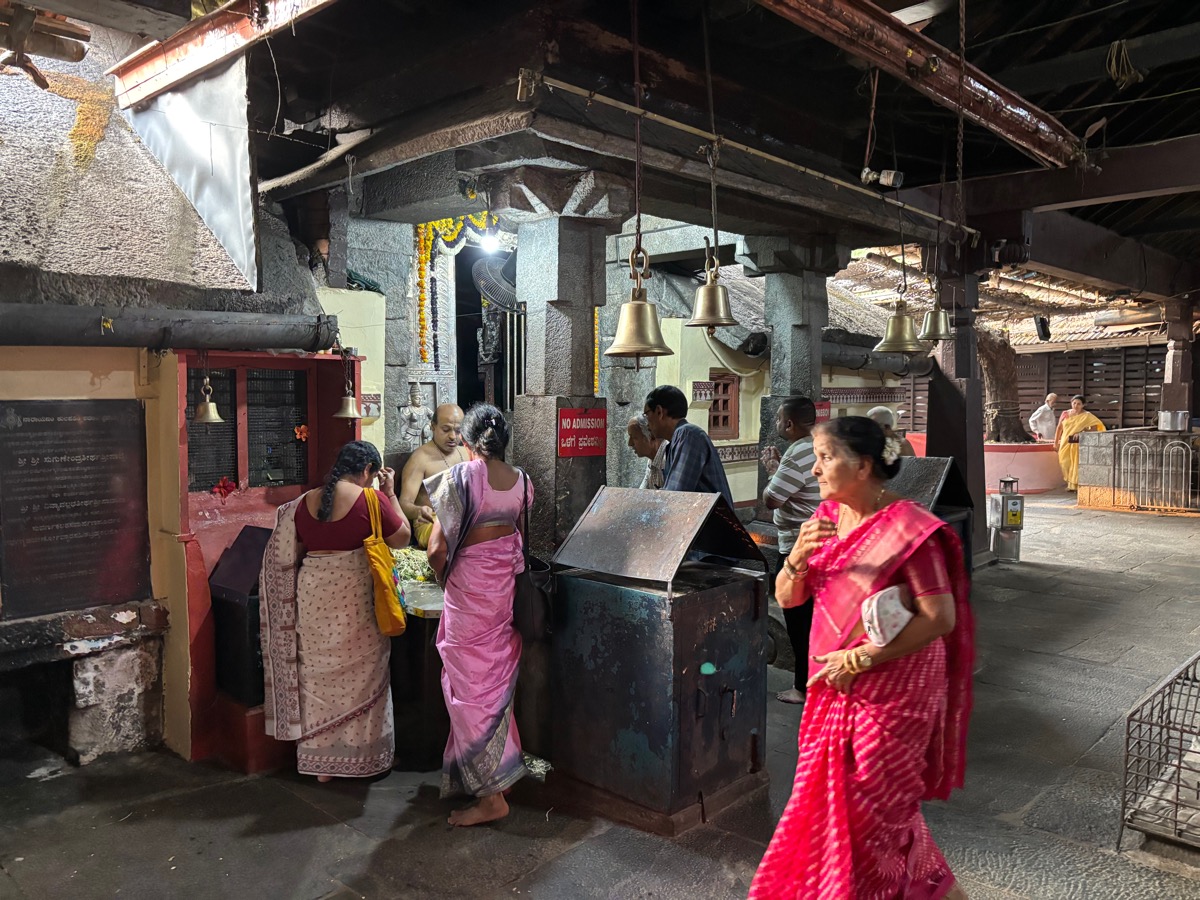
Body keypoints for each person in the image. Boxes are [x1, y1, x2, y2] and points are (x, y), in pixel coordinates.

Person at [750, 417, 974, 900]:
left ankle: (880, 888)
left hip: (893, 690)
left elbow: (939, 617)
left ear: (864, 465)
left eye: (826, 457)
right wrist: (795, 559)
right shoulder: (822, 522)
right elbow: (787, 599)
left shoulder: (909, 530)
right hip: (831, 688)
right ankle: (918, 887)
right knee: (839, 804)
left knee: (873, 804)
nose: (814, 470)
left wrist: (860, 660)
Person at [260, 441, 410, 782]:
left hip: (312, 597)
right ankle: (364, 760)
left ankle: (321, 767)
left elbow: (293, 551)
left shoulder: (302, 503)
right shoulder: (371, 500)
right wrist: (390, 494)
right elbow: (402, 538)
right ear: (369, 471)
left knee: (317, 678)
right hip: (353, 601)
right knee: (365, 676)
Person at [425, 404, 537, 826]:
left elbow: (436, 549)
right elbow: (517, 543)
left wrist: (445, 581)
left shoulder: (460, 478)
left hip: (468, 601)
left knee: (468, 692)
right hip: (500, 600)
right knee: (491, 688)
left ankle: (492, 798)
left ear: (469, 445)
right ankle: (493, 777)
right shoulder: (523, 483)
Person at [760, 397, 820, 705]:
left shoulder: (797, 454)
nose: (776, 424)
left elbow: (772, 499)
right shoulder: (817, 447)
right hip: (819, 544)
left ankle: (803, 687)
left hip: (800, 547)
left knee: (798, 620)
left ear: (789, 424)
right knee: (813, 619)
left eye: (779, 419)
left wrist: (773, 469)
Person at [643, 384, 733, 507]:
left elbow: (675, 494)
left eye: (646, 414)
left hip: (713, 524)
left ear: (659, 412)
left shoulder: (687, 434)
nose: (646, 423)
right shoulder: (674, 441)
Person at [399, 403, 466, 548]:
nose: (453, 436)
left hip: (463, 520)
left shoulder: (466, 453)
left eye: (458, 430)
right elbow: (403, 503)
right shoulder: (420, 458)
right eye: (446, 429)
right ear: (432, 426)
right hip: (432, 524)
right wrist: (419, 511)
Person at [1054, 394, 1106, 491]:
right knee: (1064, 462)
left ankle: (1074, 486)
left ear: (1083, 405)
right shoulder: (1065, 414)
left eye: (1078, 404)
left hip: (1078, 443)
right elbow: (1059, 428)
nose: (1076, 406)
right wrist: (1056, 442)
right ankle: (1070, 482)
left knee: (1076, 463)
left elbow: (1095, 428)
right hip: (1065, 442)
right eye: (1074, 403)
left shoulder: (1087, 416)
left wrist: (1082, 432)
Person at [627, 413, 668, 489]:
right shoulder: (652, 459)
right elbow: (641, 493)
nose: (630, 443)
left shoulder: (669, 457)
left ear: (651, 435)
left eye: (634, 437)